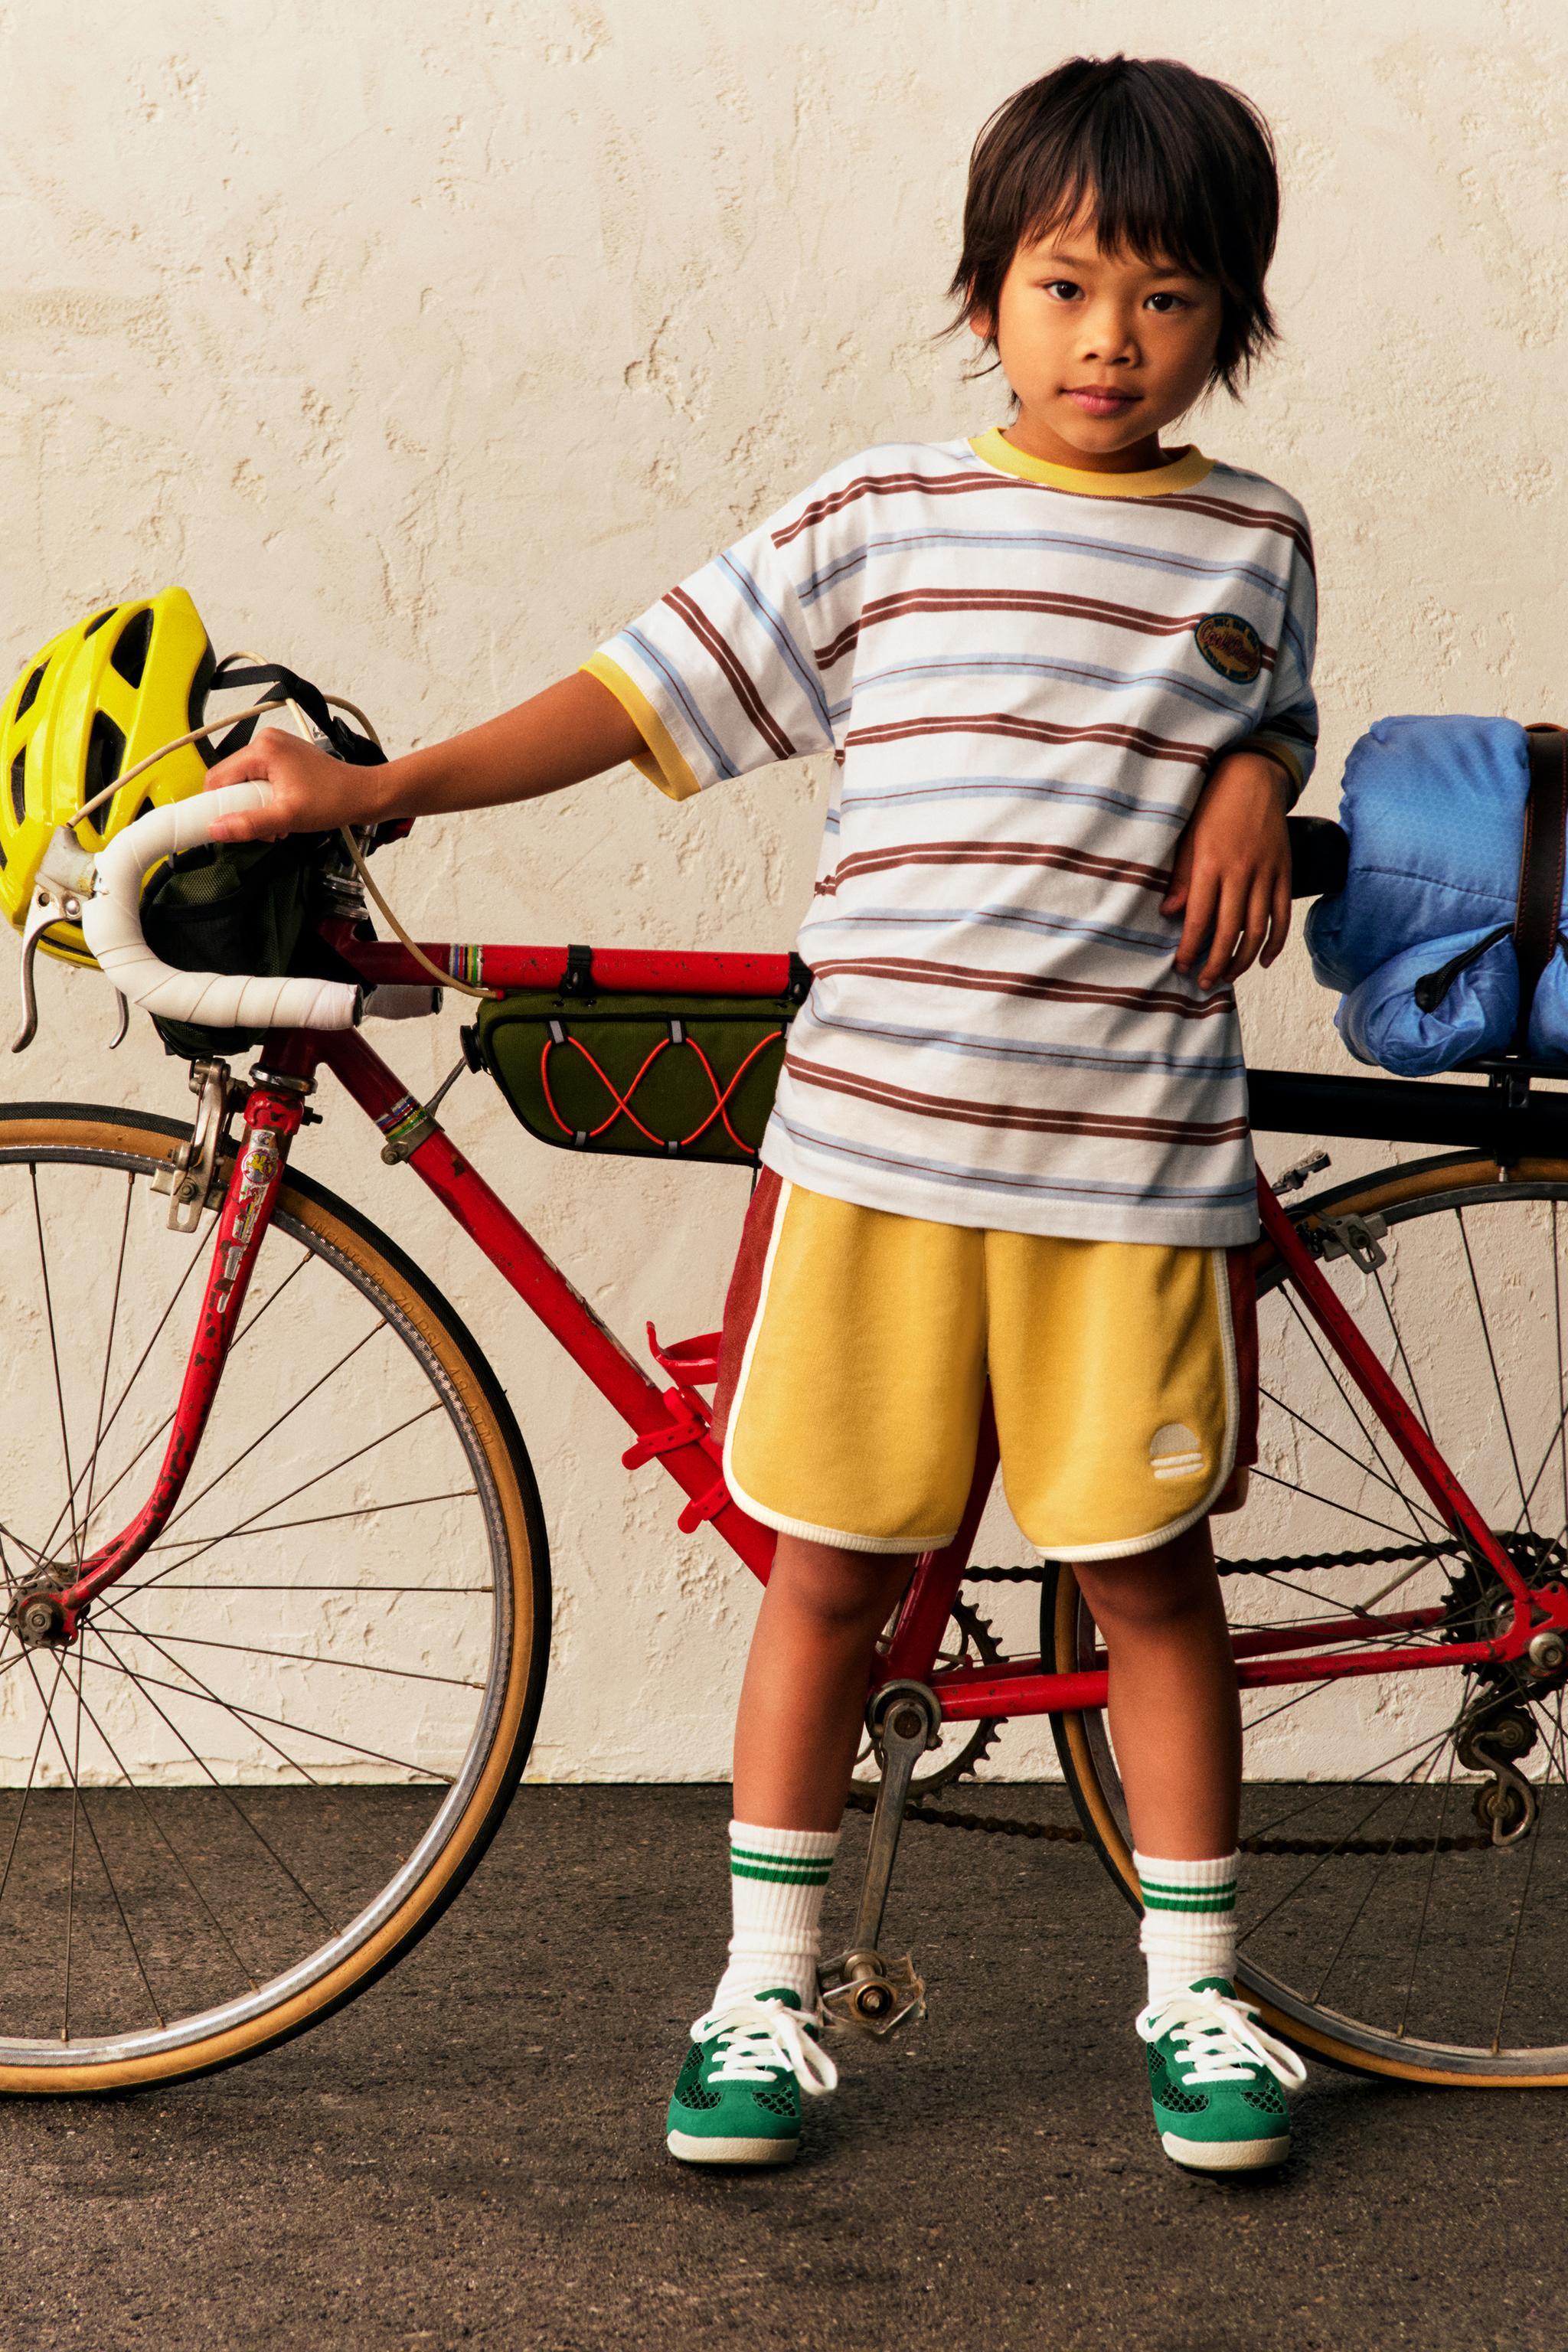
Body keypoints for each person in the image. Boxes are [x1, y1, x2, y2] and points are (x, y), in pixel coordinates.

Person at [205, 54, 1316, 2174]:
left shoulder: (1258, 539)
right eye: (1069, 283)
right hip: (875, 1172)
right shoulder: (879, 520)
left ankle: (1201, 2000)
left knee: (1154, 1581)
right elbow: (636, 694)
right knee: (822, 1575)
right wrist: (386, 787)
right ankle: (762, 1996)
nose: (1112, 339)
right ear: (987, 292)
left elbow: (1264, 704)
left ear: (1229, 328)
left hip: (1132, 1180)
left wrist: (1263, 770)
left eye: (1169, 300)